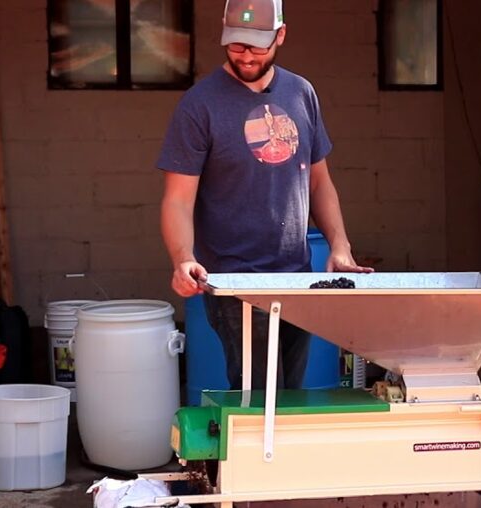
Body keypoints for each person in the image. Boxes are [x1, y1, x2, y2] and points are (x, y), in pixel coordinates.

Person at [158, 0, 371, 391]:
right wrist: (183, 258)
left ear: (281, 35)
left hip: (296, 276)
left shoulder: (301, 93)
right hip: (235, 282)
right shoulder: (199, 105)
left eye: (257, 45)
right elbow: (177, 199)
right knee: (257, 401)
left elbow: (319, 182)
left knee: (288, 395)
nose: (246, 55)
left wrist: (340, 245)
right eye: (236, 44)